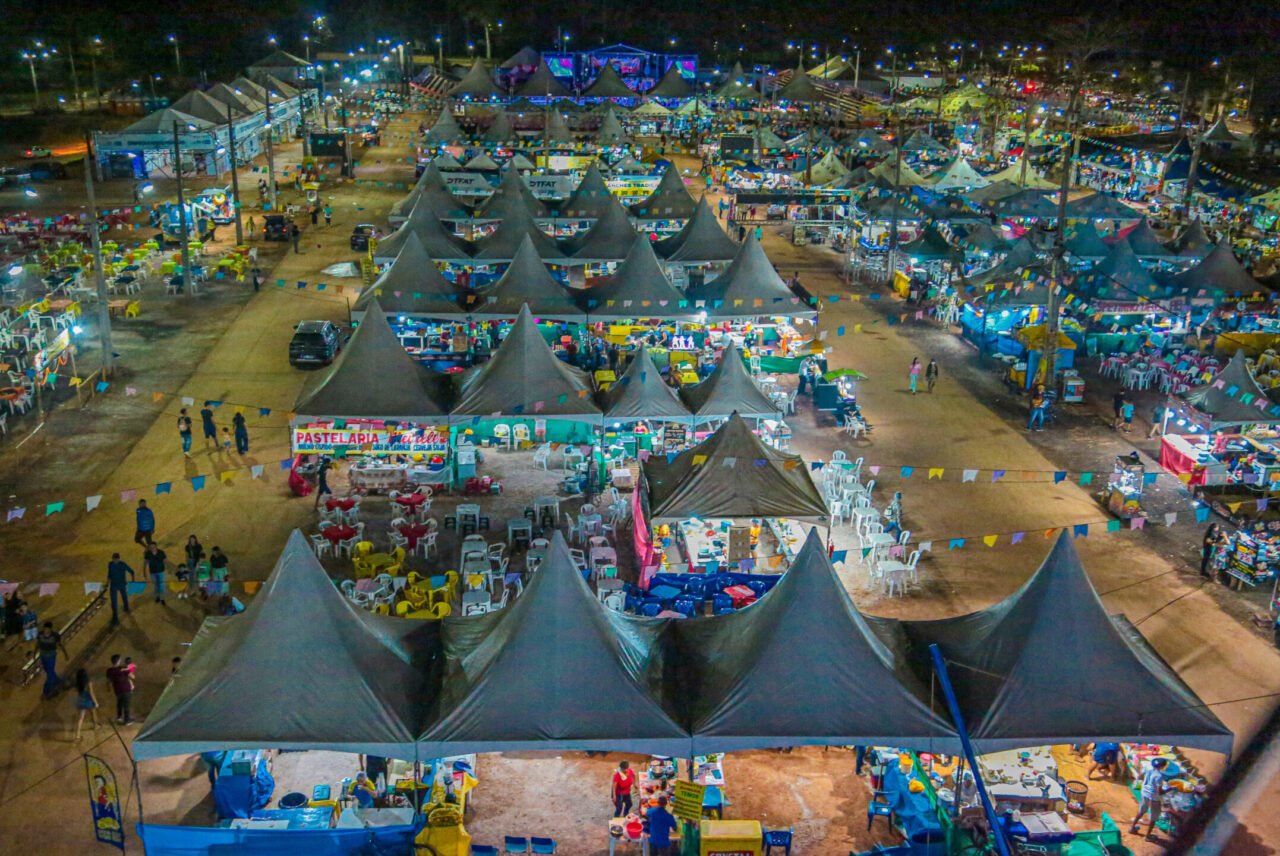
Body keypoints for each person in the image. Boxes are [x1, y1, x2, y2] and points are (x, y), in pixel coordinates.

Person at [1130, 757, 1170, 837]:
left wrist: (1148, 782)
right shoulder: (1159, 776)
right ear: (1162, 767)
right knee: (1154, 816)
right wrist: (1170, 789)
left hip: (1144, 792)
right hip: (1154, 797)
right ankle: (1148, 836)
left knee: (1142, 810)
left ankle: (1132, 828)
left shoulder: (1148, 768)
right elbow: (1160, 792)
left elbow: (1140, 777)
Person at [32, 621, 68, 699]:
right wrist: (34, 654)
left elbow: (60, 644)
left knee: (50, 675)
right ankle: (60, 682)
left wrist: (65, 654)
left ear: (50, 629)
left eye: (47, 629)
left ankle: (46, 691)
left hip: (51, 657)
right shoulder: (40, 634)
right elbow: (37, 644)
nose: (46, 630)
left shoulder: (55, 636)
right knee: (49, 672)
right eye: (45, 628)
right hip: (43, 656)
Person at [106, 654, 136, 724]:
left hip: (117, 690)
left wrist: (108, 688)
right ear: (119, 661)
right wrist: (130, 668)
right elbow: (133, 677)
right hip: (126, 689)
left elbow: (108, 681)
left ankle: (119, 718)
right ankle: (127, 720)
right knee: (126, 705)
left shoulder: (109, 670)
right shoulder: (122, 669)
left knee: (120, 703)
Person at [106, 553, 135, 624]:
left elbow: (131, 571)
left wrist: (133, 580)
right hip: (115, 585)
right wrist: (107, 583)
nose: (115, 561)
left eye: (116, 560)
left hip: (121, 584)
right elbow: (109, 574)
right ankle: (115, 616)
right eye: (114, 560)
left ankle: (126, 607)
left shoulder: (121, 564)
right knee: (114, 602)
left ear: (119, 559)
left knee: (124, 597)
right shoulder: (111, 564)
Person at [73, 668, 99, 740]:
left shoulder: (77, 683)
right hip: (88, 700)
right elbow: (91, 693)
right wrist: (95, 702)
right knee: (93, 712)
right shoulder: (88, 682)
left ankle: (77, 735)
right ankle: (95, 725)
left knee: (80, 718)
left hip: (81, 700)